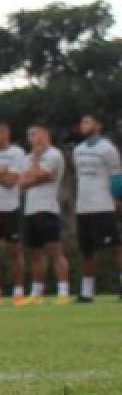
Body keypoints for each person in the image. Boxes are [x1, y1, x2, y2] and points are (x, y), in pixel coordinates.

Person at [72, 114, 122, 302]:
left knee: (115, 248)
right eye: (82, 121)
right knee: (86, 251)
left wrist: (118, 198)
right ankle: (87, 292)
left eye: (88, 121)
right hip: (83, 208)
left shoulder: (107, 149)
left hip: (102, 205)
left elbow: (116, 177)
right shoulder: (78, 150)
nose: (83, 125)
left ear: (99, 125)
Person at [19, 124, 70, 305]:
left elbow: (42, 175)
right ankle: (36, 294)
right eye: (29, 135)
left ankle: (63, 292)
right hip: (30, 210)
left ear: (45, 134)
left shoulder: (54, 155)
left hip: (47, 209)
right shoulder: (28, 157)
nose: (31, 138)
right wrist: (33, 168)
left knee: (54, 252)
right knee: (34, 253)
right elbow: (22, 182)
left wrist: (34, 164)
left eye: (34, 134)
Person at [0, 122, 28, 305]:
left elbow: (11, 181)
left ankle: (18, 291)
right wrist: (0, 172)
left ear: (7, 133)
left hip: (10, 208)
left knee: (15, 251)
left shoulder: (17, 153)